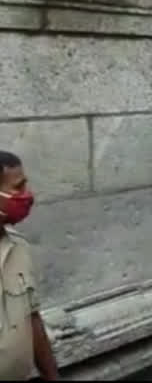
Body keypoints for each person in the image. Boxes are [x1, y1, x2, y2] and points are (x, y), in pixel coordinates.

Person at [0, 151, 59, 380]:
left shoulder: (19, 247)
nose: (27, 196)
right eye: (18, 187)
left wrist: (52, 376)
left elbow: (31, 316)